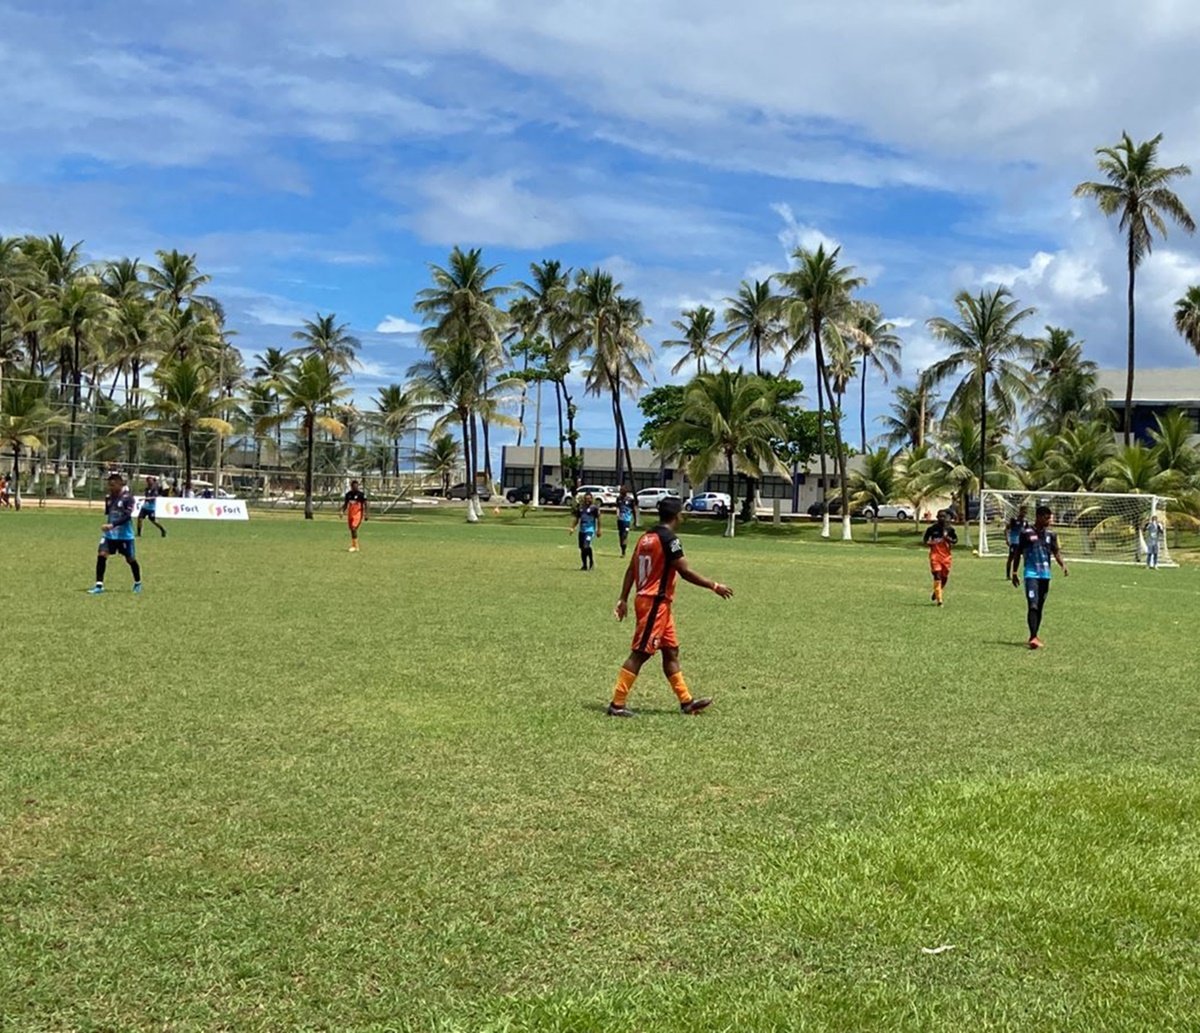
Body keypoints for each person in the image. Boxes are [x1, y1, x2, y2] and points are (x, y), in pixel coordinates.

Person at [608, 497, 732, 717]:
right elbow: (684, 571)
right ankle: (617, 704)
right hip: (654, 602)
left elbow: (630, 569)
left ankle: (686, 702)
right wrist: (714, 585)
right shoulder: (669, 539)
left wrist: (623, 598)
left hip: (656, 603)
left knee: (671, 651)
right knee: (640, 653)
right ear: (677, 516)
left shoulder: (646, 537)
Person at [1012, 504, 1068, 649]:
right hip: (1031, 574)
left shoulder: (1051, 535)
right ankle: (1033, 637)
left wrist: (1063, 565)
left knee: (1040, 607)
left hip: (1045, 575)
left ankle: (1035, 634)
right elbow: (1018, 552)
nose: (1050, 520)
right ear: (1039, 517)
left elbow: (1055, 552)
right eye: (1047, 517)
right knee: (1033, 604)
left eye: (1050, 518)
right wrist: (1014, 572)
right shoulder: (1026, 532)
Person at [89, 472, 142, 594]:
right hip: (110, 535)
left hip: (125, 536)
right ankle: (99, 585)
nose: (110, 488)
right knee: (102, 554)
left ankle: (138, 582)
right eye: (109, 485)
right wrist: (110, 525)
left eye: (113, 485)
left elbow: (127, 517)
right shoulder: (109, 498)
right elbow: (109, 513)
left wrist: (112, 525)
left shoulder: (128, 498)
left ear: (120, 484)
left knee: (131, 559)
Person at [922, 509, 958, 606]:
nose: (942, 518)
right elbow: (925, 540)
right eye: (940, 516)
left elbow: (955, 540)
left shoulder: (950, 529)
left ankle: (938, 590)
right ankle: (939, 600)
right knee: (937, 575)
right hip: (935, 556)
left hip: (946, 557)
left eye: (944, 517)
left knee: (944, 577)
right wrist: (930, 543)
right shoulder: (932, 529)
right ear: (937, 517)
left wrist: (948, 538)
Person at [570, 492, 601, 570]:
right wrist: (573, 528)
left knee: (586, 546)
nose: (587, 500)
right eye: (586, 499)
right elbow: (577, 519)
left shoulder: (594, 508)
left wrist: (599, 530)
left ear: (591, 499)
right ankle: (584, 565)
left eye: (589, 499)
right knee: (582, 548)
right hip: (582, 530)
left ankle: (591, 561)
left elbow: (599, 519)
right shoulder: (581, 508)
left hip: (589, 530)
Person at [341, 479, 368, 552]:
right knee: (352, 529)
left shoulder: (361, 495)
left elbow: (365, 504)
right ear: (351, 487)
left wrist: (366, 514)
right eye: (353, 486)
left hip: (358, 514)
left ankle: (355, 546)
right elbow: (346, 504)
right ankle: (354, 544)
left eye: (356, 486)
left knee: (353, 528)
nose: (355, 488)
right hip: (350, 513)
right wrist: (342, 511)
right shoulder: (348, 495)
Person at [1004, 505, 1028, 581]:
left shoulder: (1025, 522)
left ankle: (1026, 575)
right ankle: (1008, 575)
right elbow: (1006, 530)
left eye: (1025, 512)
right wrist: (1007, 540)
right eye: (1023, 512)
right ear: (1020, 511)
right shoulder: (1014, 520)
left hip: (1022, 543)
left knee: (1026, 559)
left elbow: (1027, 532)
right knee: (1011, 558)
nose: (1024, 514)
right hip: (1014, 543)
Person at [614, 484, 638, 557]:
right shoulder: (619, 499)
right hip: (620, 520)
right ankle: (622, 549)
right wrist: (617, 514)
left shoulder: (630, 500)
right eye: (620, 490)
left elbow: (634, 510)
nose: (621, 492)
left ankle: (623, 551)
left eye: (622, 490)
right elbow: (618, 507)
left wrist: (635, 520)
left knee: (624, 535)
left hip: (627, 520)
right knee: (621, 535)